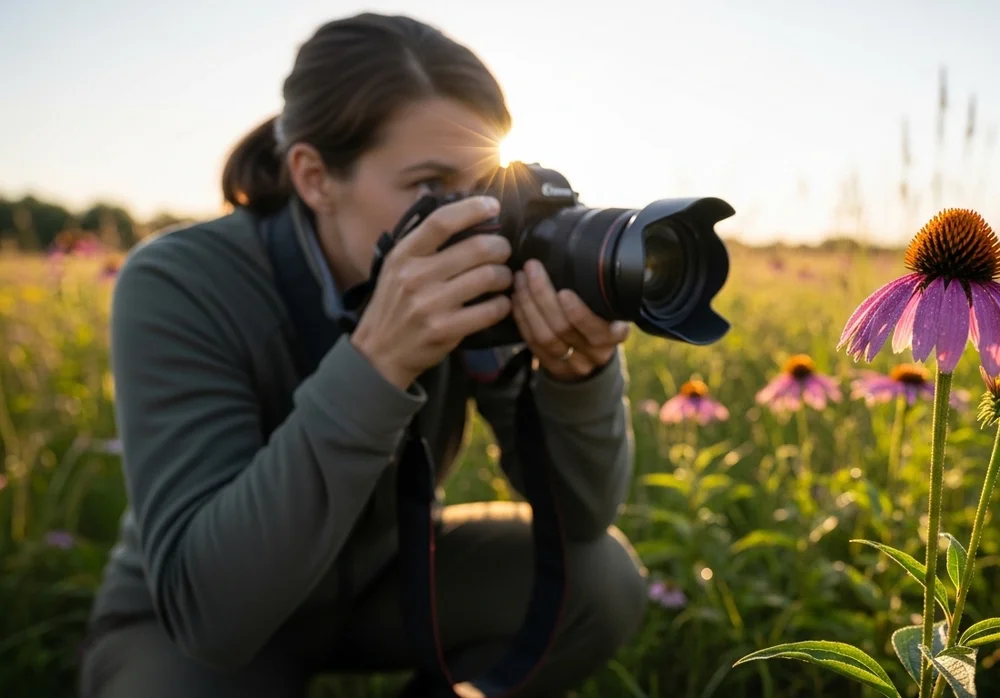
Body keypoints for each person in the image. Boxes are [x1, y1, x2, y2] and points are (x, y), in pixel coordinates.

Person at [79, 12, 648, 698]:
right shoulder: (179, 281)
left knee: (597, 584)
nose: (468, 217)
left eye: (484, 184)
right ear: (315, 176)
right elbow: (211, 616)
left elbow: (579, 519)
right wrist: (377, 361)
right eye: (430, 186)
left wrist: (575, 375)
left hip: (385, 576)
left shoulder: (479, 265)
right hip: (197, 613)